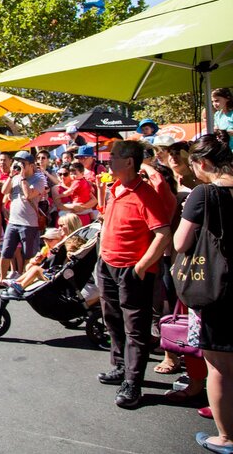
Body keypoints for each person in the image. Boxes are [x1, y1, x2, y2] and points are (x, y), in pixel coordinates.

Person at [96, 140, 171, 409]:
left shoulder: (145, 194)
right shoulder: (115, 188)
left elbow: (163, 234)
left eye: (114, 157)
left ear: (129, 162)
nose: (108, 160)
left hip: (132, 270)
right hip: (108, 265)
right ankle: (119, 366)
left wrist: (140, 267)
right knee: (112, 318)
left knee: (135, 328)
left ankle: (133, 382)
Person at [173, 133, 233, 453]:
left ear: (204, 163)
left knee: (220, 367)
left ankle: (226, 436)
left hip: (219, 287)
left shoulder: (204, 194)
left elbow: (181, 243)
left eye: (194, 165)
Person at [0, 151, 44, 282]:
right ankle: (1, 280)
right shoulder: (15, 177)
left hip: (29, 223)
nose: (19, 165)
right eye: (18, 162)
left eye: (23, 163)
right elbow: (4, 191)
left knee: (28, 255)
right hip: (13, 221)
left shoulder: (38, 179)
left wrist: (23, 178)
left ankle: (25, 281)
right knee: (6, 252)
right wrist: (11, 176)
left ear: (31, 165)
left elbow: (29, 195)